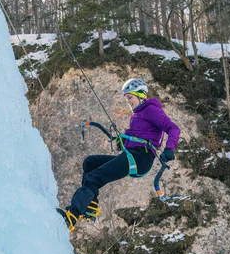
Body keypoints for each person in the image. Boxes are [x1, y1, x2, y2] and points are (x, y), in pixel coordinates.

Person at [57, 78, 181, 232]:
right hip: (133, 154)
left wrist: (170, 148)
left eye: (130, 97)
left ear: (141, 95)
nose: (128, 101)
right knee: (90, 163)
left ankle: (71, 216)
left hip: (140, 157)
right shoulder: (137, 115)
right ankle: (91, 206)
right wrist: (122, 141)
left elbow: (173, 128)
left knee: (94, 177)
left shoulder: (150, 110)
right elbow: (140, 136)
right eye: (126, 98)